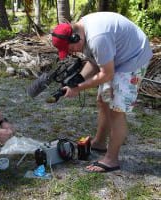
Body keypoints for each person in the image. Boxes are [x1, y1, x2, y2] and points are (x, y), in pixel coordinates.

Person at [52, 12, 152, 172]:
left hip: (133, 57)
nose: (71, 53)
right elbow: (94, 61)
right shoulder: (83, 29)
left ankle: (111, 160)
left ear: (75, 38)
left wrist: (78, 88)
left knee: (117, 110)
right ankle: (99, 142)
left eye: (69, 49)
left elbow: (107, 73)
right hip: (116, 58)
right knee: (103, 99)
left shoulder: (97, 38)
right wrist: (77, 79)